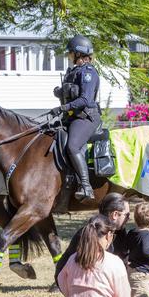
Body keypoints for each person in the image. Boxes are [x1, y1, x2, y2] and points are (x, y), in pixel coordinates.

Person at [51, 35, 101, 201]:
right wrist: (60, 92)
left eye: (71, 53)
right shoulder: (72, 72)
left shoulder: (88, 73)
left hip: (86, 117)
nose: (69, 56)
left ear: (79, 54)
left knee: (72, 146)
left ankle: (86, 186)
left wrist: (64, 107)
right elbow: (72, 94)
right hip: (71, 117)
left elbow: (85, 99)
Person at [55, 192, 131, 285]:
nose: (129, 218)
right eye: (127, 215)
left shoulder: (120, 233)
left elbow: (124, 260)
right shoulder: (90, 233)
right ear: (115, 214)